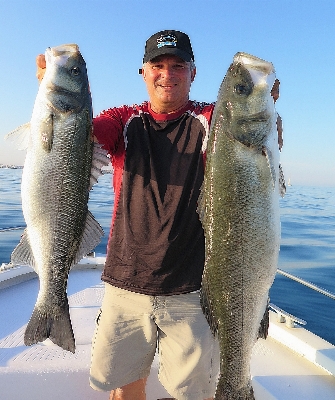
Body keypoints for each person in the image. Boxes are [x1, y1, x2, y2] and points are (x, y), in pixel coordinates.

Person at [36, 30, 283, 400]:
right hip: (124, 285)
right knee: (124, 389)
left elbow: (253, 138)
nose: (167, 73)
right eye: (158, 65)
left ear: (193, 73)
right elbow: (77, 137)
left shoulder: (213, 121)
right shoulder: (124, 120)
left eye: (178, 66)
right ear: (143, 72)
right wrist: (50, 88)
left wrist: (267, 116)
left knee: (191, 393)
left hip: (192, 289)